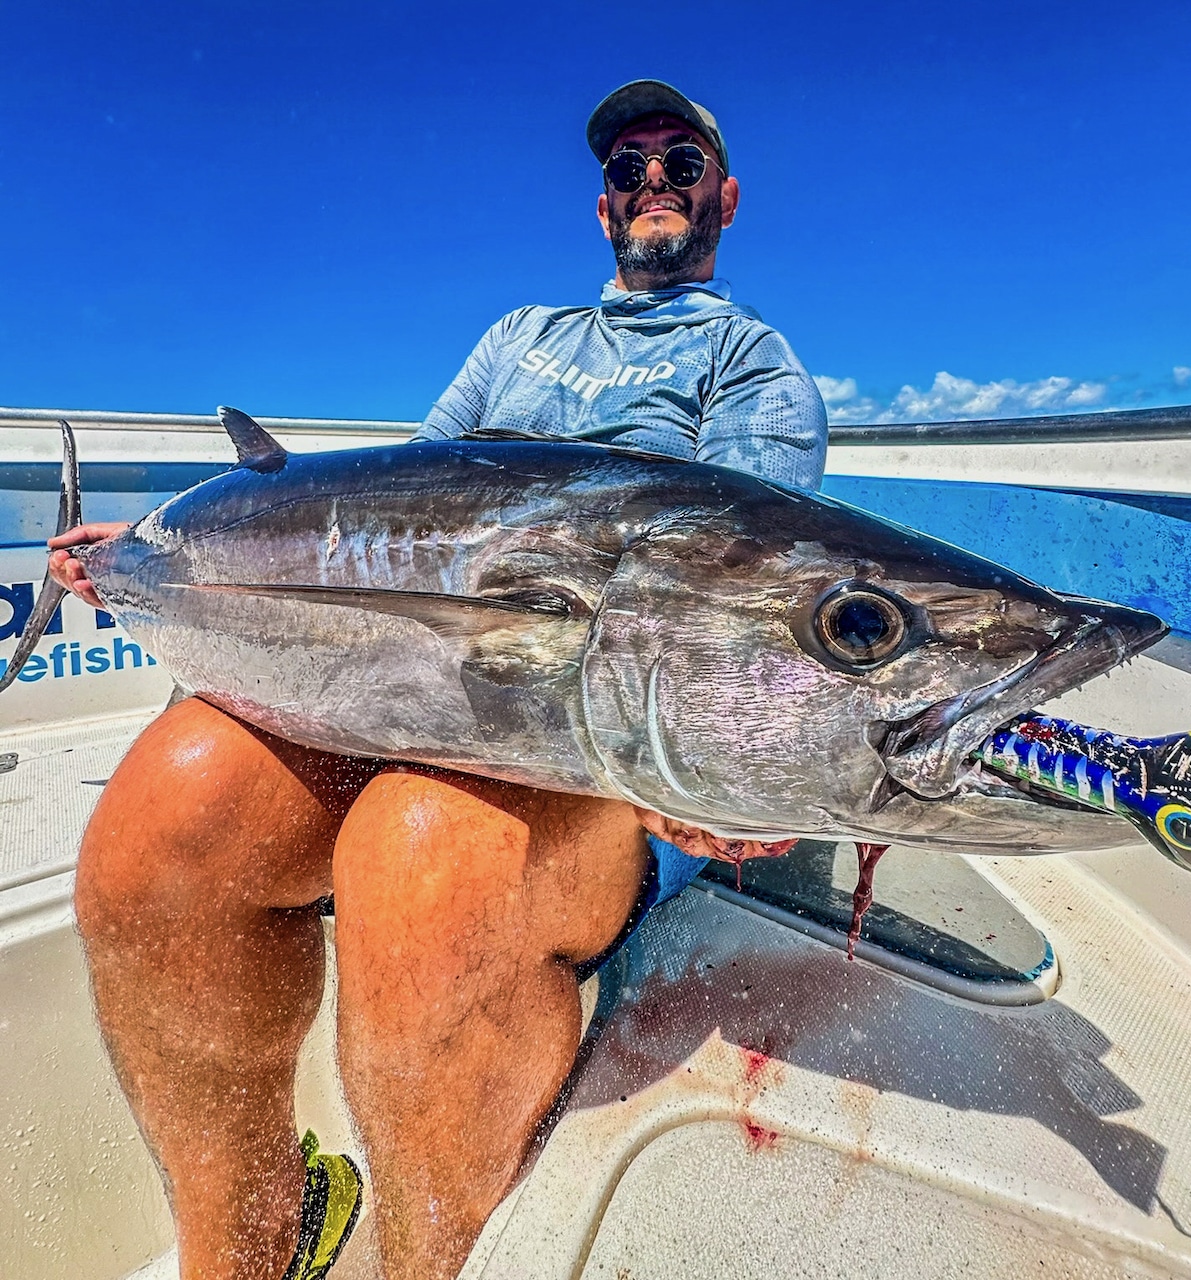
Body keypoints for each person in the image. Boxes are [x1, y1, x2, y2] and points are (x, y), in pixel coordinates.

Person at [49, 80, 827, 1280]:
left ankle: (433, 1261)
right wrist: (152, 565)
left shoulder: (750, 364)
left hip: (588, 725)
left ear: (724, 196)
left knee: (419, 860)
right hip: (408, 680)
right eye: (629, 167)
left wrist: (733, 759)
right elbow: (392, 506)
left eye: (680, 161)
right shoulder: (517, 339)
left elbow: (751, 577)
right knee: (164, 822)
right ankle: (257, 1238)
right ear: (602, 205)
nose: (653, 184)